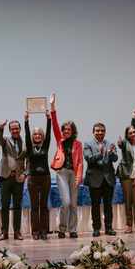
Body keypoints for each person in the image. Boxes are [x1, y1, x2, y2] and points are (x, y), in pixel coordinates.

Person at [50, 93, 83, 238]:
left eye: (69, 129)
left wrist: (79, 177)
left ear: (72, 130)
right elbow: (54, 123)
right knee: (66, 203)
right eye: (65, 130)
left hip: (74, 174)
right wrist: (52, 106)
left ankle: (73, 229)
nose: (66, 131)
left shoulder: (78, 144)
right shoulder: (59, 139)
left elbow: (80, 161)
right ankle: (62, 229)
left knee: (74, 204)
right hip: (62, 172)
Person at [0, 117, 28, 241]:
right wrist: (0, 128)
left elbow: (28, 161)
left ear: (20, 129)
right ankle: (4, 232)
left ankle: (17, 231)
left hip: (19, 178)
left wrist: (26, 173)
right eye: (12, 129)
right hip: (5, 177)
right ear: (9, 130)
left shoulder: (25, 142)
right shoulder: (5, 140)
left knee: (17, 205)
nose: (15, 130)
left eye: (16, 128)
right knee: (4, 205)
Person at [84, 123, 118, 237]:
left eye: (102, 131)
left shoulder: (110, 143)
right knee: (95, 205)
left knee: (108, 205)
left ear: (105, 132)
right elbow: (88, 158)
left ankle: (109, 228)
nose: (100, 132)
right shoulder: (88, 144)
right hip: (94, 179)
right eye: (97, 131)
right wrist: (100, 154)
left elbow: (115, 158)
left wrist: (110, 153)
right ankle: (96, 228)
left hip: (108, 179)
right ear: (93, 132)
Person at [24, 109, 52, 240]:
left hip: (45, 177)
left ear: (42, 136)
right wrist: (26, 120)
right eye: (35, 134)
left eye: (39, 134)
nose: (36, 136)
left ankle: (43, 230)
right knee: (34, 206)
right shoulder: (30, 147)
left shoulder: (45, 146)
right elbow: (26, 132)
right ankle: (35, 231)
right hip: (32, 178)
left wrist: (48, 119)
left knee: (44, 206)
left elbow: (49, 132)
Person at [117, 126, 135, 234]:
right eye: (130, 133)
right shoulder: (125, 144)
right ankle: (129, 225)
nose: (133, 134)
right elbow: (121, 145)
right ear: (127, 135)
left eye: (134, 132)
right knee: (128, 202)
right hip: (126, 177)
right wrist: (120, 143)